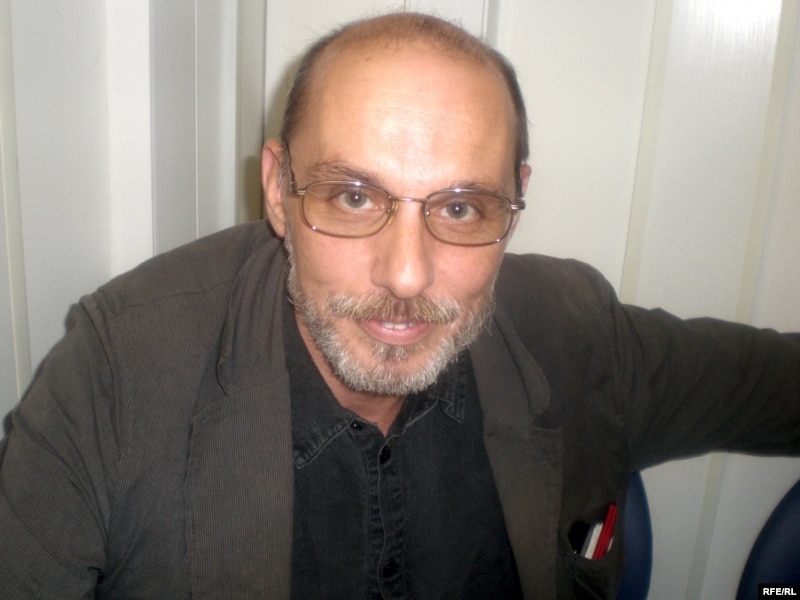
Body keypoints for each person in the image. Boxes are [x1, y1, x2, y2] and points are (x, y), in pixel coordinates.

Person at [0, 11, 798, 600]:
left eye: (460, 208)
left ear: (516, 200)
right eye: (353, 196)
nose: (407, 276)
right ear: (278, 190)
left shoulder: (575, 331)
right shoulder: (116, 377)